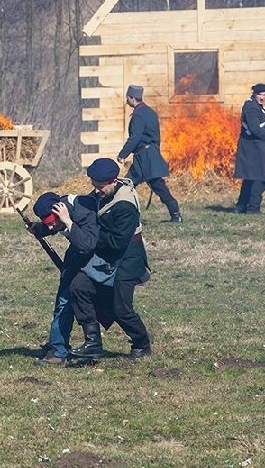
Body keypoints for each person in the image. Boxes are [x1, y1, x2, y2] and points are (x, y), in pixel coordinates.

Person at [68, 158, 152, 360]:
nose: (97, 191)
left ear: (113, 181)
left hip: (127, 258)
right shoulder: (103, 192)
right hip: (105, 255)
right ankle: (93, 343)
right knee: (78, 287)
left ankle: (142, 343)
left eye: (100, 187)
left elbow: (116, 242)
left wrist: (85, 235)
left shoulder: (125, 205)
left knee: (121, 308)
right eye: (94, 186)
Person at [28, 191, 99, 366]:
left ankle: (140, 339)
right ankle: (58, 349)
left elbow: (87, 244)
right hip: (75, 259)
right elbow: (55, 226)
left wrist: (68, 222)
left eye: (52, 223)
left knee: (117, 308)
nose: (51, 228)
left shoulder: (84, 212)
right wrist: (40, 229)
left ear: (61, 211)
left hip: (96, 261)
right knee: (63, 303)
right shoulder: (61, 214)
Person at [117, 85, 182, 223]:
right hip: (148, 154)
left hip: (145, 157)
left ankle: (175, 214)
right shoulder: (150, 112)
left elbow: (135, 138)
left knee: (132, 185)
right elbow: (156, 137)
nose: (126, 99)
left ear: (132, 98)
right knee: (131, 185)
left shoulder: (139, 115)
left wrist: (122, 154)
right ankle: (174, 213)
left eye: (127, 97)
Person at [234, 83, 265, 214]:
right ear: (254, 94)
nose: (263, 97)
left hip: (255, 145)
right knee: (263, 178)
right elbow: (254, 129)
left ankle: (241, 206)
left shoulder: (258, 106)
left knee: (251, 177)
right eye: (260, 94)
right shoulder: (250, 107)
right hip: (251, 146)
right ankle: (253, 208)